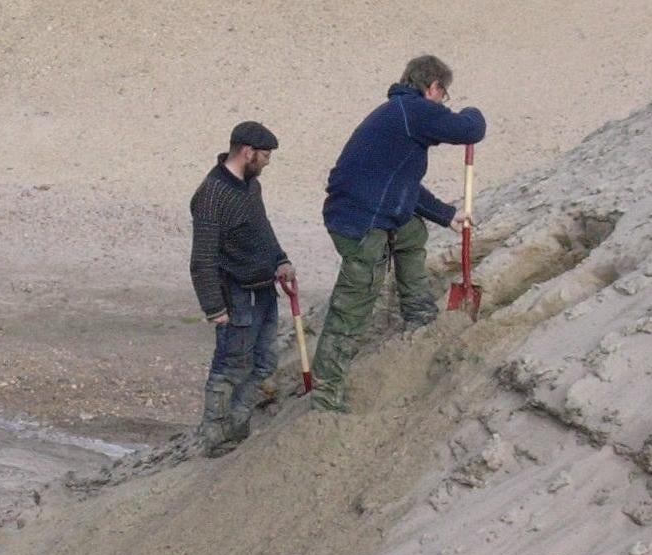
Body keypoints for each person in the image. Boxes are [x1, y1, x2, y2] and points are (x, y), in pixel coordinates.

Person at [309, 56, 486, 412]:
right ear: (433, 87)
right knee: (354, 302)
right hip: (359, 222)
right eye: (444, 94)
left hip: (370, 210)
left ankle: (418, 312)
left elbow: (403, 185)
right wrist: (472, 111)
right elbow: (470, 129)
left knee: (410, 232)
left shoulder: (398, 115)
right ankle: (326, 394)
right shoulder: (413, 110)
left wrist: (446, 214)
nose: (443, 102)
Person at [188, 120, 295, 456]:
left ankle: (238, 427)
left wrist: (281, 259)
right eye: (264, 156)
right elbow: (201, 258)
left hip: (264, 289)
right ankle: (216, 439)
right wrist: (214, 309)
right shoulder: (210, 196)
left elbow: (261, 227)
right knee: (230, 367)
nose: (267, 162)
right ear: (247, 152)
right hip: (235, 296)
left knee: (264, 363)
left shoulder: (250, 186)